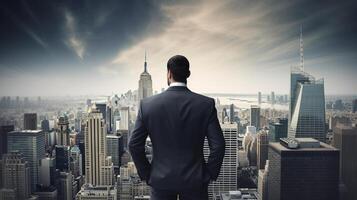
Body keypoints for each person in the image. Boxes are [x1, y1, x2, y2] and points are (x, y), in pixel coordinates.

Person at [129, 55, 225, 200]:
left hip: (160, 181)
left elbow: (134, 145)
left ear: (169, 74)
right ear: (188, 74)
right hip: (196, 181)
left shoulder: (147, 105)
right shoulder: (205, 104)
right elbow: (218, 146)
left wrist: (147, 174)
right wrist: (208, 174)